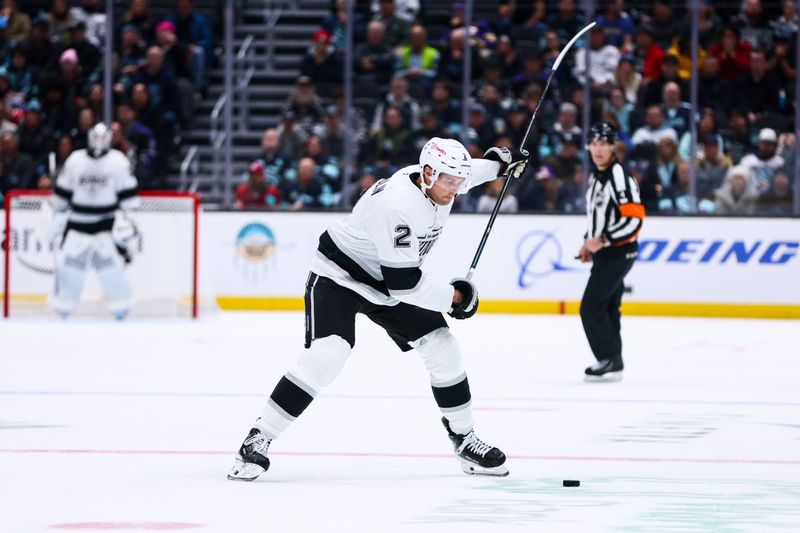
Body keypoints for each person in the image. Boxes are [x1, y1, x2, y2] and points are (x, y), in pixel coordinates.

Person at [228, 138, 529, 481]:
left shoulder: (442, 180)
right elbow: (404, 283)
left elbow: (471, 173)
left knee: (443, 346)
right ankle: (258, 438)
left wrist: (499, 166)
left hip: (384, 282)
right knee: (329, 354)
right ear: (428, 173)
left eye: (459, 182)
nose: (456, 189)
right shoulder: (399, 205)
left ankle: (465, 440)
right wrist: (455, 298)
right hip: (340, 276)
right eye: (450, 181)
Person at [49, 123, 139, 319]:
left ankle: (121, 306)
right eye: (95, 137)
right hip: (78, 223)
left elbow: (128, 197)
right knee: (71, 268)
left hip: (106, 225)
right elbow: (63, 194)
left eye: (103, 137)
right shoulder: (75, 160)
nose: (99, 141)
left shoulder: (118, 161)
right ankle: (63, 307)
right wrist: (55, 213)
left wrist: (128, 220)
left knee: (111, 270)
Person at [577, 122, 644, 382]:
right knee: (607, 306)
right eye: (594, 143)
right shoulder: (597, 177)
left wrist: (602, 239)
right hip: (607, 252)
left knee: (591, 307)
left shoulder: (620, 177)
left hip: (619, 252)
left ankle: (607, 358)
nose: (598, 149)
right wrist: (588, 242)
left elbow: (635, 220)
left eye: (603, 143)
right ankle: (614, 360)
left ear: (614, 146)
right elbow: (597, 216)